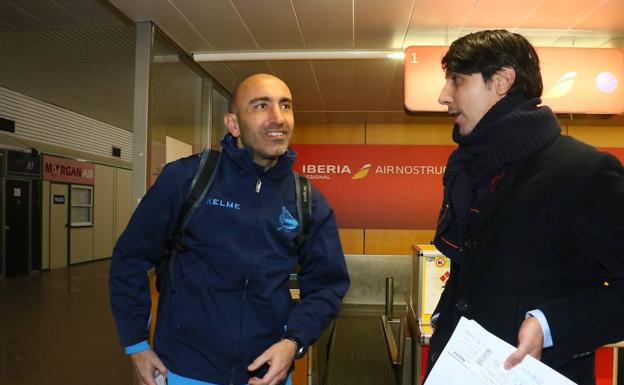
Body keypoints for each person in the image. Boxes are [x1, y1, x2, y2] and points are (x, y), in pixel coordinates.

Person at [109, 73, 350, 385]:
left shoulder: (307, 201)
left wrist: (293, 342)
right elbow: (130, 258)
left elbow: (327, 285)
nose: (277, 118)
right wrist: (137, 345)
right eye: (261, 106)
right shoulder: (187, 179)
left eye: (285, 106)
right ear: (233, 124)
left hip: (267, 375)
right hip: (184, 370)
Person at [428, 29, 624, 384]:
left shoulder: (586, 172)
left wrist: (548, 324)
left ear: (502, 81)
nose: (444, 96)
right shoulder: (467, 169)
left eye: (456, 80)